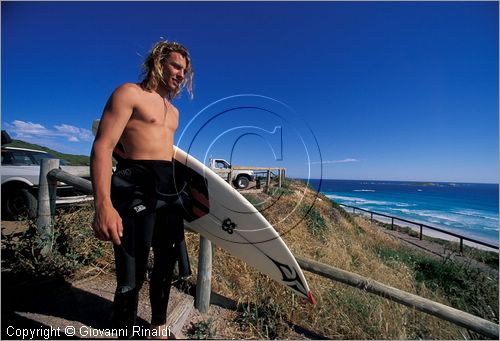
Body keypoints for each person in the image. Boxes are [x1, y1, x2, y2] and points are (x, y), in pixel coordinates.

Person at [90, 40, 193, 339]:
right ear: (158, 62)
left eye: (184, 70)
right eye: (176, 66)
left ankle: (159, 324)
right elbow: (102, 147)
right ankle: (123, 325)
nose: (181, 74)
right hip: (134, 184)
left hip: (168, 188)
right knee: (131, 266)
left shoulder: (174, 112)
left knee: (166, 262)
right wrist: (103, 205)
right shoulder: (129, 93)